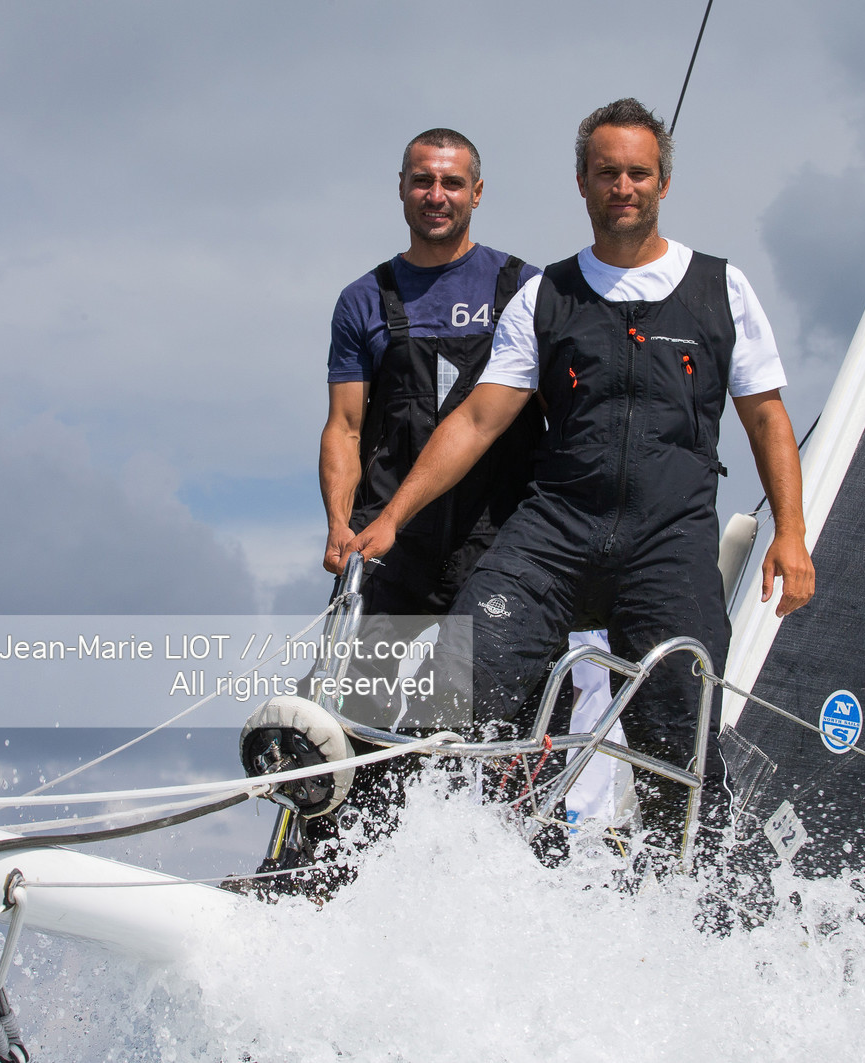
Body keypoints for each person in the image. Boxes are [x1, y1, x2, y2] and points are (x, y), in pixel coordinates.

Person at [343, 98, 816, 863]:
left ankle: (700, 906)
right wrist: (394, 514)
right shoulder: (547, 295)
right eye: (606, 173)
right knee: (457, 686)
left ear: (663, 182)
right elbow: (477, 420)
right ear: (582, 183)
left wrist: (792, 534)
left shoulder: (721, 289)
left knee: (678, 747)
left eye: (637, 173)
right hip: (556, 535)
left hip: (667, 544)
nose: (622, 186)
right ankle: (445, 869)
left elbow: (767, 419)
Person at [245, 128, 542, 898]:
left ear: (477, 192)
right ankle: (324, 884)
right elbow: (344, 427)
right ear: (402, 189)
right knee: (361, 732)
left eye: (451, 183)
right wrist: (339, 524)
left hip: (495, 549)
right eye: (422, 182)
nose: (436, 196)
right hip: (389, 551)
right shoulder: (362, 300)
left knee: (483, 734)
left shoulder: (524, 288)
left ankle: (491, 887)